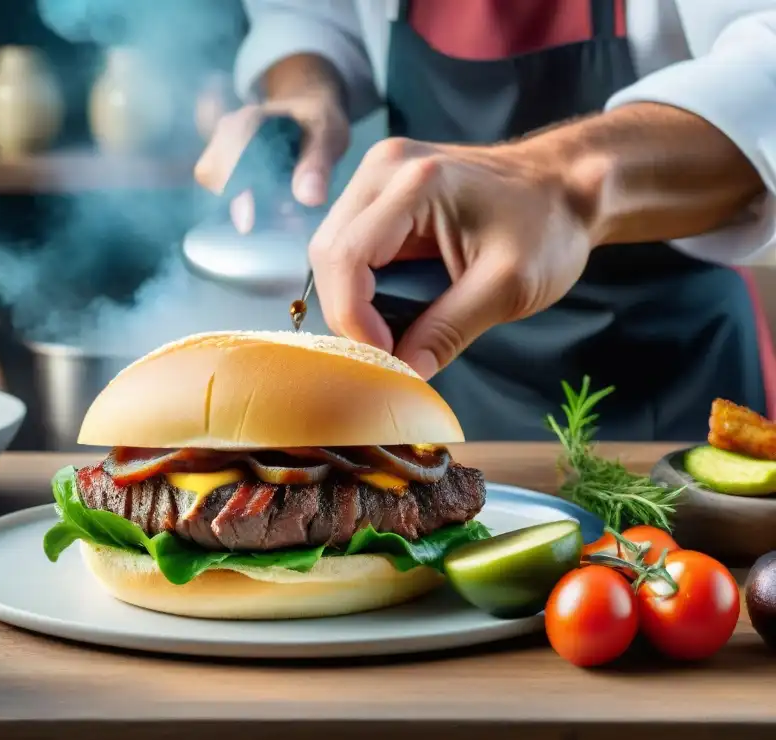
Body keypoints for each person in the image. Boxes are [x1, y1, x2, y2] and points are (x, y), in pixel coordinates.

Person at [194, 0, 776, 441]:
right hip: (440, 374)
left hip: (671, 370)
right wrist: (304, 93)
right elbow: (310, 16)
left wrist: (564, 182)